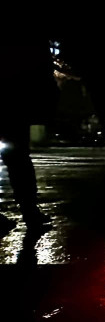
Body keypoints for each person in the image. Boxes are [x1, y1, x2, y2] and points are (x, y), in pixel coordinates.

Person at [0, 35, 57, 236]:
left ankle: (30, 211)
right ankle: (30, 211)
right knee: (18, 157)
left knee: (18, 156)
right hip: (16, 96)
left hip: (14, 95)